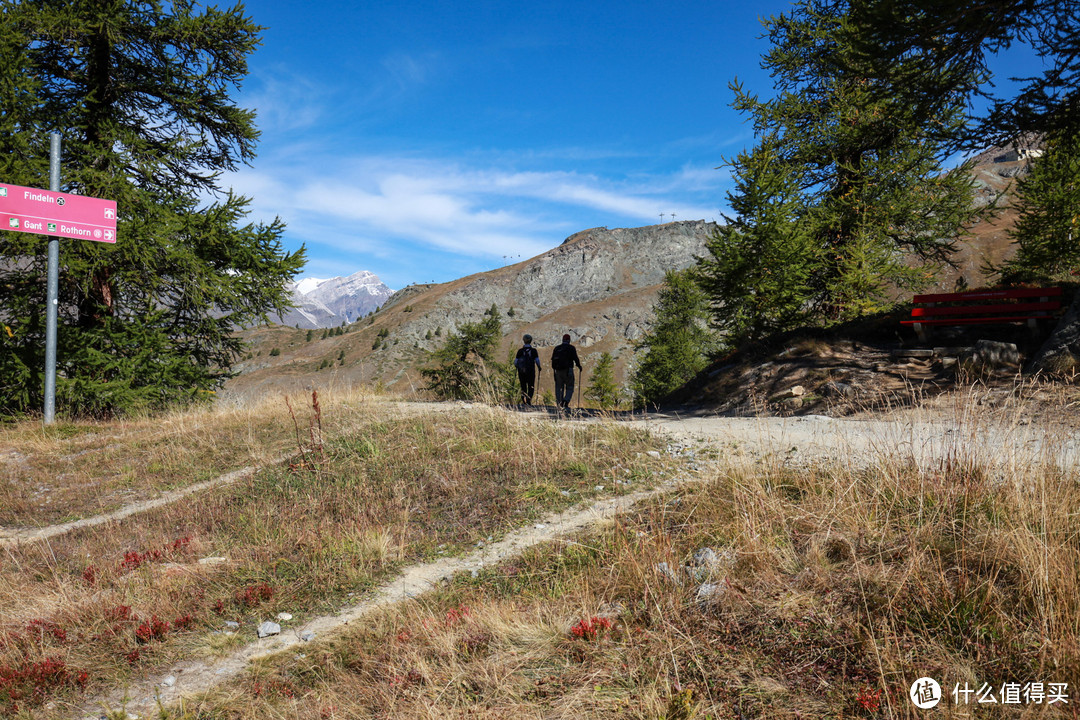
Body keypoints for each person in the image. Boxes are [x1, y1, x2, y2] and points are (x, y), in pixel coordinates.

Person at [550, 333, 582, 409]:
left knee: (559, 387)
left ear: (562, 340)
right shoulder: (571, 348)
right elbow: (575, 358)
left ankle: (559, 403)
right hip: (568, 370)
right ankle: (566, 401)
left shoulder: (557, 348)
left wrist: (554, 369)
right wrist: (579, 366)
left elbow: (553, 360)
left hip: (558, 370)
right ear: (569, 340)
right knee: (570, 386)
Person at [514, 334, 541, 405]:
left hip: (521, 371)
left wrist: (517, 367)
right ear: (531, 341)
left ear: (524, 341)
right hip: (530, 371)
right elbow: (537, 361)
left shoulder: (520, 351)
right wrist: (539, 367)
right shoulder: (534, 351)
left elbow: (515, 362)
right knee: (531, 386)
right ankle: (529, 400)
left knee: (523, 386)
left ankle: (524, 400)